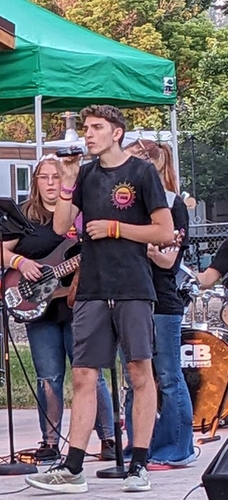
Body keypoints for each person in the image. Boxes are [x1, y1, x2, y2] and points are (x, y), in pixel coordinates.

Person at [25, 105, 173, 494]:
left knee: (139, 373)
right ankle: (73, 465)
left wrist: (115, 228)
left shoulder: (141, 173)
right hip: (91, 286)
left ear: (117, 133)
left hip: (133, 285)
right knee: (83, 374)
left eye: (96, 128)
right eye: (86, 128)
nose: (88, 134)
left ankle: (139, 463)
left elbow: (164, 230)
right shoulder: (87, 173)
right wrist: (68, 182)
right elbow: (59, 227)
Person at [0, 156, 115, 463]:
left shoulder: (79, 214)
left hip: (78, 302)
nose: (49, 184)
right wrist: (21, 263)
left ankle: (108, 437)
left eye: (55, 178)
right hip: (38, 306)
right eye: (43, 178)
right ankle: (49, 441)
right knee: (48, 376)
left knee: (90, 374)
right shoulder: (24, 217)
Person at [121, 139, 195, 467]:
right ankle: (140, 445)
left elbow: (169, 261)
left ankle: (177, 447)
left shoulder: (171, 203)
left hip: (162, 299)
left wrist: (152, 249)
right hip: (132, 295)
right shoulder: (129, 205)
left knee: (166, 375)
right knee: (135, 375)